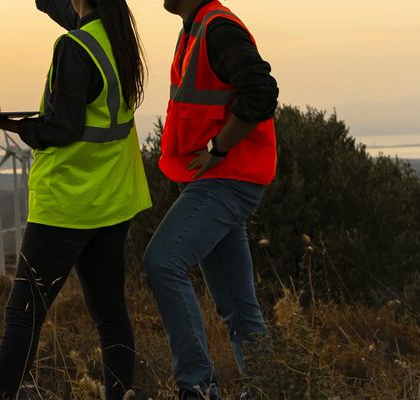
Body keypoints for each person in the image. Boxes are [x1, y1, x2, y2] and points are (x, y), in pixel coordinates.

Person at [0, 0, 150, 397]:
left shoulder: (74, 47)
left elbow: (63, 128)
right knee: (110, 316)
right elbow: (65, 11)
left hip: (66, 204)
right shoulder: (118, 39)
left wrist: (18, 127)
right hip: (113, 199)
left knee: (23, 317)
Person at [143, 0, 280, 398]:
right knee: (238, 306)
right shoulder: (195, 28)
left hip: (228, 178)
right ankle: (267, 388)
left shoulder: (218, 28)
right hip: (216, 178)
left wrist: (219, 148)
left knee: (163, 262)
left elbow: (261, 90)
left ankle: (197, 388)